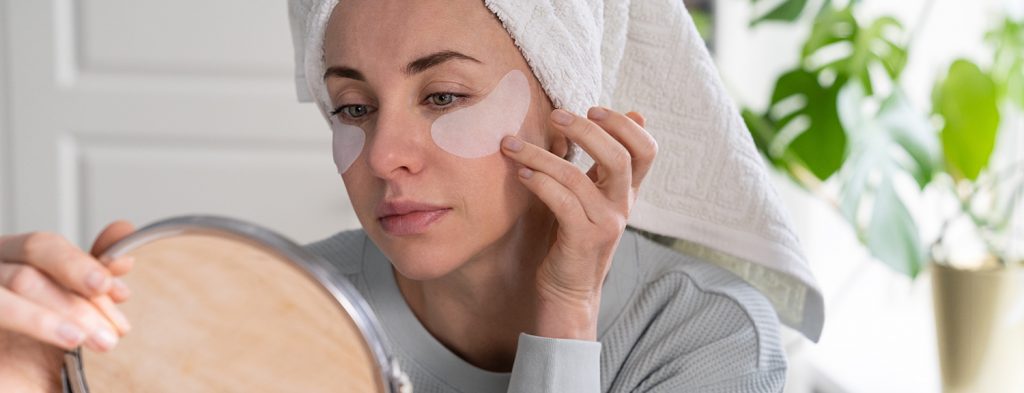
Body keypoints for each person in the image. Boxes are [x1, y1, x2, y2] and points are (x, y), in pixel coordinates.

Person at [0, 0, 824, 391]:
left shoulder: (702, 334)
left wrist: (567, 309)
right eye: (353, 106)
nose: (385, 156)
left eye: (443, 97)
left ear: (571, 114)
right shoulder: (281, 306)